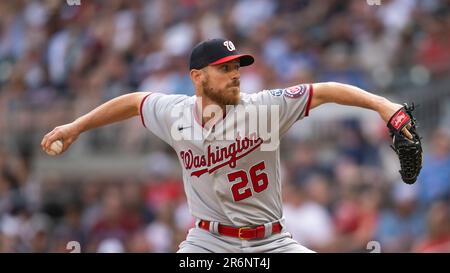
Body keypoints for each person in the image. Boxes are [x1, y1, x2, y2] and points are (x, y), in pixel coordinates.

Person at [41, 38, 411, 253]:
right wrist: (77, 125)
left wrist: (383, 105)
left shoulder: (266, 108)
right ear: (197, 77)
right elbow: (133, 101)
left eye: (237, 67)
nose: (235, 75)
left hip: (272, 242)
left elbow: (328, 91)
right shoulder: (175, 113)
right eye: (224, 68)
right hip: (208, 243)